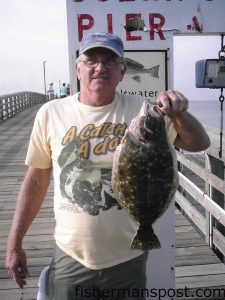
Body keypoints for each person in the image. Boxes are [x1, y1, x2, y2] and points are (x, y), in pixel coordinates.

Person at [6, 32, 210, 300]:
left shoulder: (143, 110)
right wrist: (14, 242)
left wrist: (179, 113)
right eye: (91, 60)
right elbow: (35, 180)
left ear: (122, 71)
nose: (100, 67)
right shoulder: (50, 112)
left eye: (109, 61)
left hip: (128, 257)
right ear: (78, 68)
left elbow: (199, 143)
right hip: (71, 255)